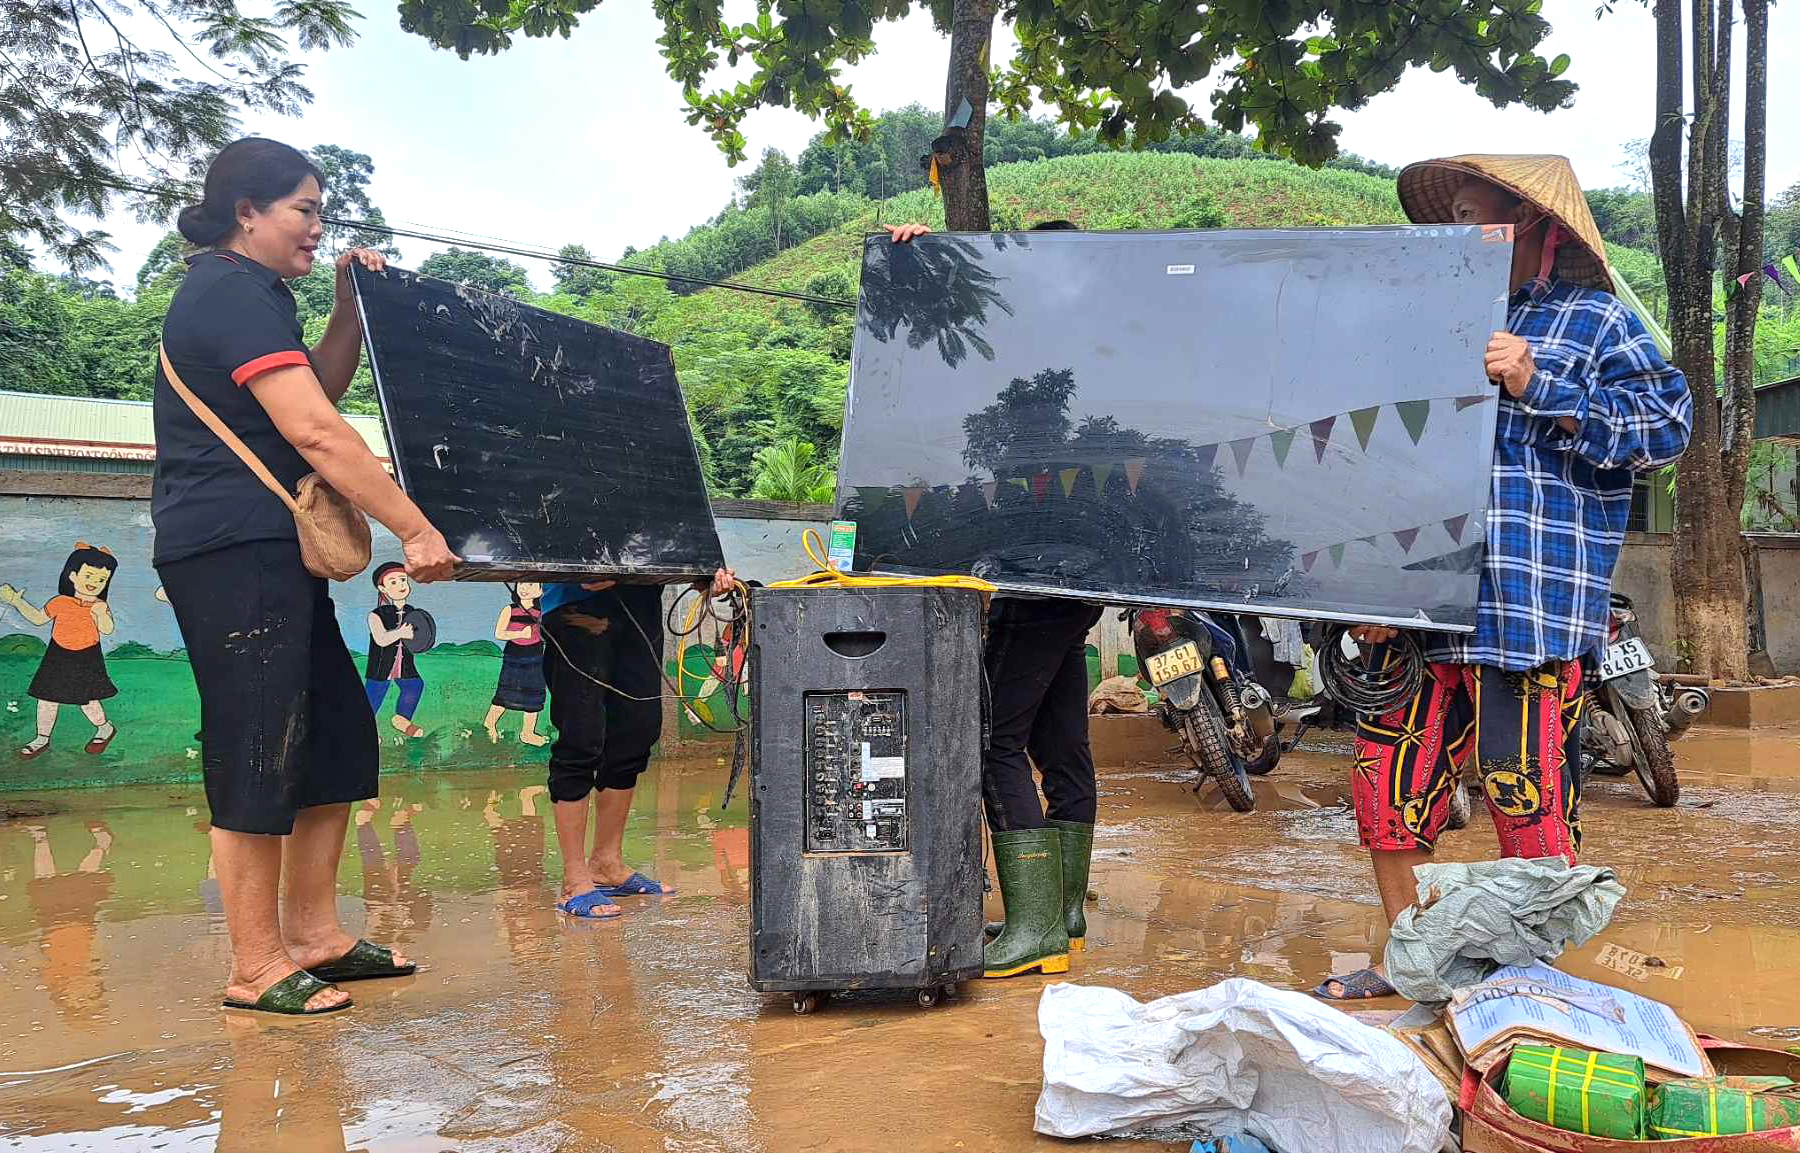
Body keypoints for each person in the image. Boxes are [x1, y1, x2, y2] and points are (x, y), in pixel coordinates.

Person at [1316, 154, 1693, 1000]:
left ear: (1534, 225)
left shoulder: (1596, 320)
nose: (1458, 228)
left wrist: (1536, 379)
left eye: (1473, 211)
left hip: (1529, 609)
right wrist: (1367, 586)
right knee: (1387, 777)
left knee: (1526, 788)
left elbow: (1669, 427)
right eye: (1449, 213)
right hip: (1417, 607)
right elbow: (1376, 456)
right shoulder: (1424, 330)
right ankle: (1407, 962)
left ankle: (1525, 982)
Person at [153, 137, 458, 1016]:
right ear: (246, 212)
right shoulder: (223, 292)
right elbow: (321, 435)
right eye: (305, 210)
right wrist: (415, 526)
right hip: (229, 549)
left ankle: (318, 935)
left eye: (322, 211)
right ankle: (254, 965)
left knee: (333, 736)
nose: (318, 228)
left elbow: (312, 391)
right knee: (259, 745)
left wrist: (346, 315)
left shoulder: (261, 298)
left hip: (272, 550)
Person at [882, 217, 1102, 981]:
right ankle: (1064, 914)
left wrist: (931, 274)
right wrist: (930, 257)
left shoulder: (1042, 359)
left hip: (1035, 573)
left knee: (991, 742)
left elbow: (965, 359)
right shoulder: (1092, 354)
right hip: (1079, 576)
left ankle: (1036, 925)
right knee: (1060, 743)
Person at [541, 570, 734, 920]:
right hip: (575, 607)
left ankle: (606, 863)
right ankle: (574, 879)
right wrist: (580, 565)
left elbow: (678, 536)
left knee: (637, 731)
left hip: (641, 604)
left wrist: (706, 571)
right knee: (581, 737)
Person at [3, 542, 122, 758]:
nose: (94, 583)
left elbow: (107, 629)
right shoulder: (60, 602)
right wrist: (15, 601)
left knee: (87, 699)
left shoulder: (99, 606)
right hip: (58, 653)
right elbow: (38, 619)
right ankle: (42, 738)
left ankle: (105, 728)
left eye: (101, 579)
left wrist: (102, 614)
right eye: (89, 576)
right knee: (46, 697)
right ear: (73, 576)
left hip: (87, 656)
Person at [364, 561, 432, 738]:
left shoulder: (413, 612)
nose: (401, 585)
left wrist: (418, 640)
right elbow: (381, 639)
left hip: (405, 665)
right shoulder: (376, 615)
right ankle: (367, 729)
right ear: (383, 588)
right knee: (373, 697)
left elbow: (422, 637)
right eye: (393, 582)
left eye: (403, 579)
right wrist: (401, 632)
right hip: (381, 666)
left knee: (415, 685)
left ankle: (401, 720)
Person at [485, 581, 548, 746]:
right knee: (506, 691)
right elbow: (499, 633)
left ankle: (527, 732)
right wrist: (519, 633)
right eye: (521, 584)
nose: (525, 588)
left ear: (540, 591)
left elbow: (547, 634)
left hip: (535, 656)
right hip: (514, 655)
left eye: (531, 585)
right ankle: (489, 724)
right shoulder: (510, 610)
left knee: (534, 693)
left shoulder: (541, 613)